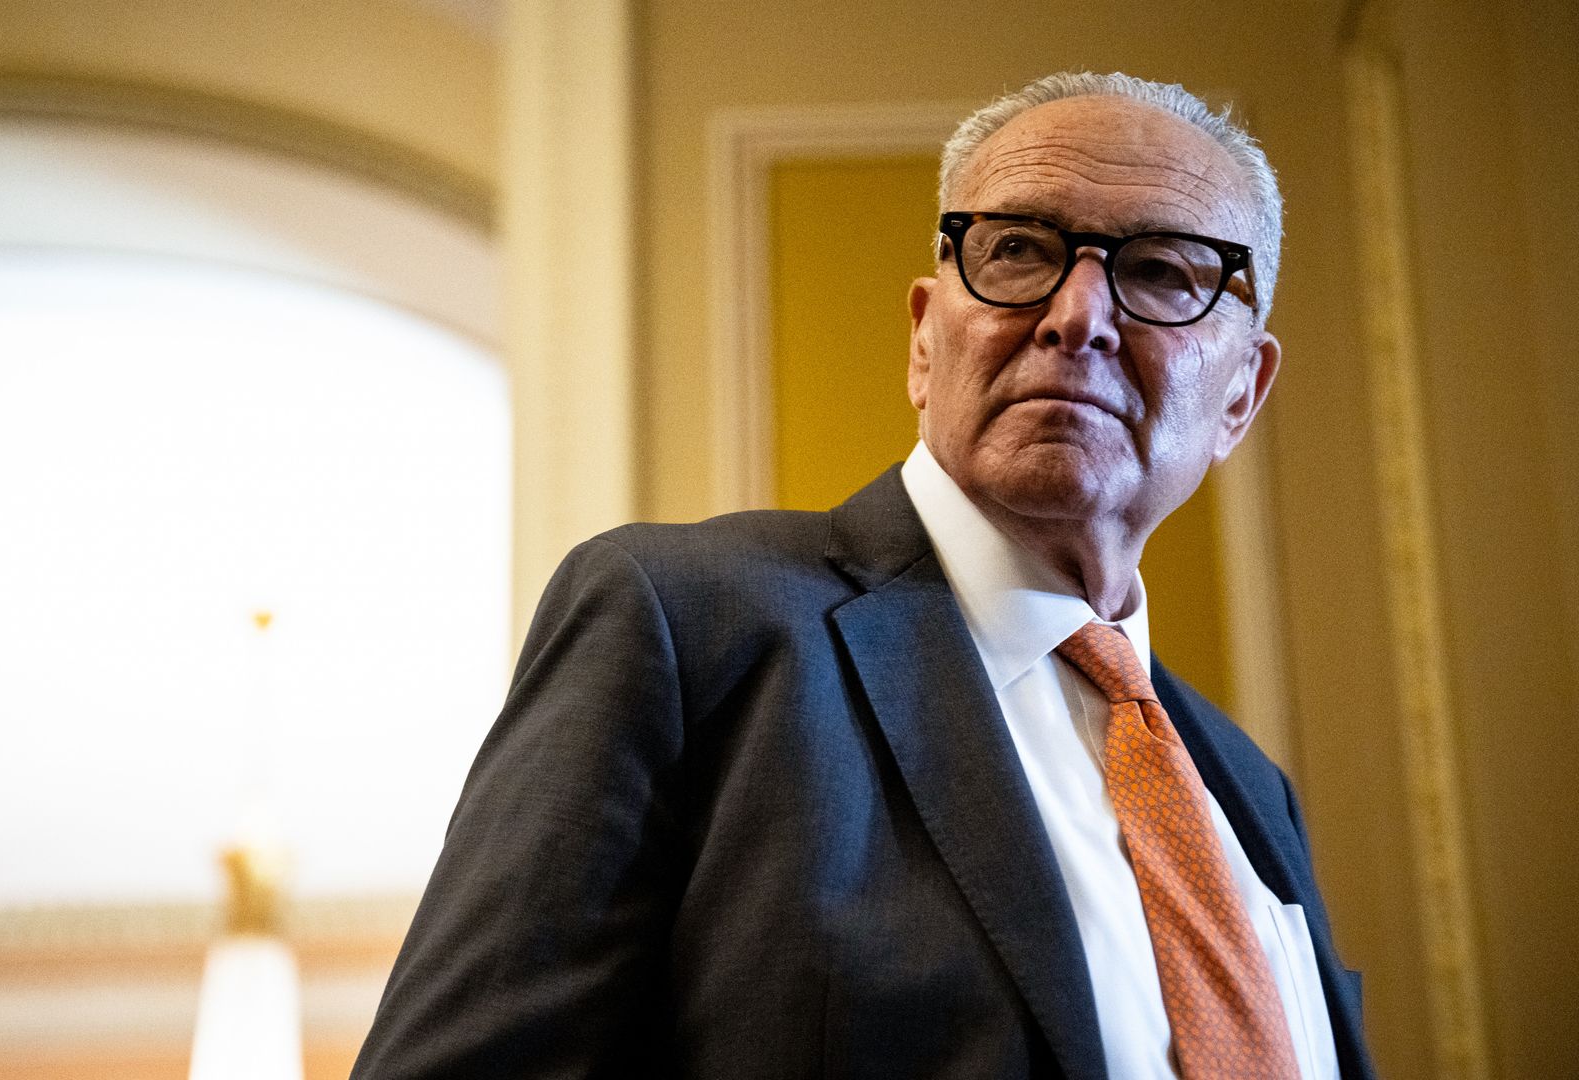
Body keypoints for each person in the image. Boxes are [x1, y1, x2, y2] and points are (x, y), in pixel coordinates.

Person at [352, 71, 1375, 1079]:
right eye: (1018, 250)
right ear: (925, 340)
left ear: (1241, 394)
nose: (1077, 315)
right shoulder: (684, 626)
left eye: (1160, 272)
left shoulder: (1248, 788)